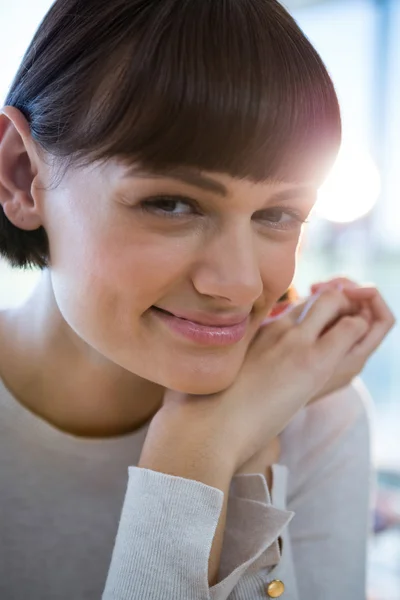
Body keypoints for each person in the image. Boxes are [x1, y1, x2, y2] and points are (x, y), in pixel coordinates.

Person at [0, 0, 395, 599]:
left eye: (278, 214)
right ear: (20, 175)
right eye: (171, 204)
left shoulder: (316, 410)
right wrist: (199, 450)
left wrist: (235, 449)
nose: (238, 285)